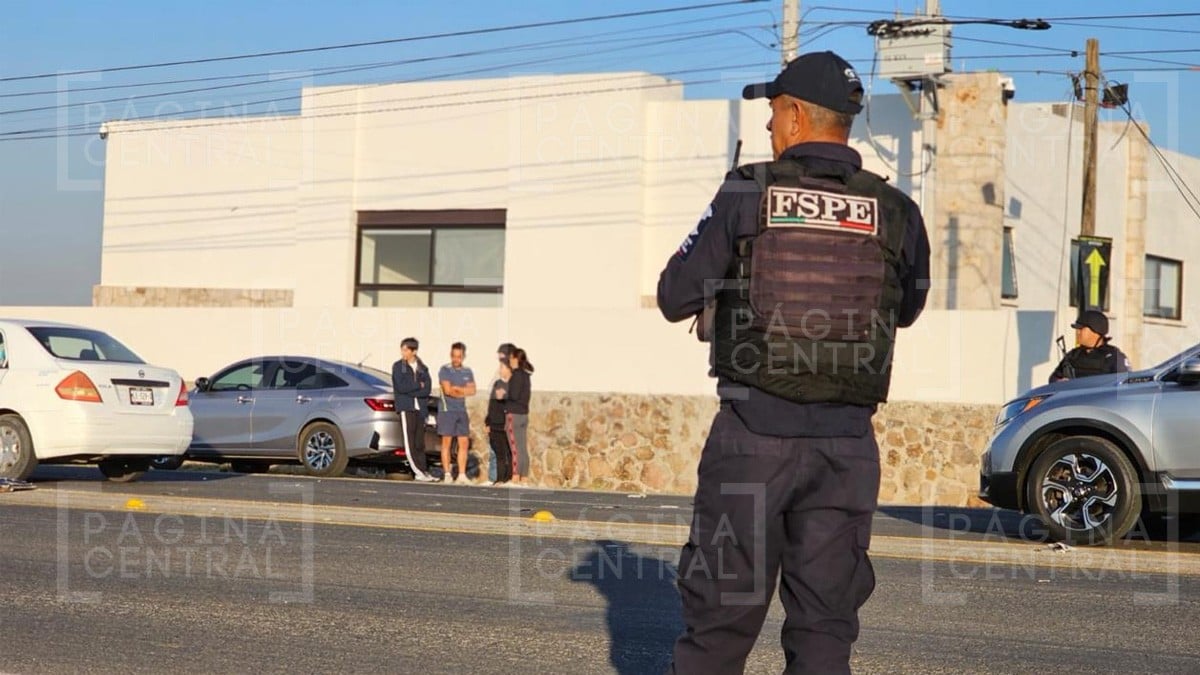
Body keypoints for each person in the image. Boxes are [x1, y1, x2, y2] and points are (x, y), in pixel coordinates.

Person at [657, 50, 931, 674]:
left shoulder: (747, 189)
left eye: (774, 113)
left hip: (752, 440)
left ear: (796, 114)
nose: (768, 128)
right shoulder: (896, 211)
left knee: (719, 628)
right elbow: (906, 311)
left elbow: (676, 295)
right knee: (825, 632)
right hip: (846, 448)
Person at [391, 337, 436, 482]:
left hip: (420, 408)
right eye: (402, 349)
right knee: (410, 442)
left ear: (413, 351)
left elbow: (427, 389)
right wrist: (418, 385)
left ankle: (423, 470)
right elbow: (401, 387)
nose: (403, 352)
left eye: (406, 350)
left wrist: (415, 389)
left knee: (419, 442)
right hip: (407, 407)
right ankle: (418, 471)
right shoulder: (399, 367)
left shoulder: (423, 368)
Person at [1049, 310, 1131, 382]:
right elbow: (1053, 378)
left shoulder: (1114, 357)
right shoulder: (1073, 355)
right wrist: (1059, 382)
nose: (1077, 332)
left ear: (1096, 330)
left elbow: (1125, 386)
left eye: (1081, 329)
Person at [438, 342, 477, 484]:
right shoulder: (445, 370)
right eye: (454, 356)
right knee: (447, 442)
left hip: (461, 410)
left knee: (464, 442)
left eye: (459, 357)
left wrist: (458, 390)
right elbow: (448, 390)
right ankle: (447, 473)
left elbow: (472, 390)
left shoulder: (467, 371)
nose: (456, 359)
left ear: (463, 356)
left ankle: (461, 474)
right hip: (447, 410)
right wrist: (461, 390)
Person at [505, 348, 534, 485]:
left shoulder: (516, 375)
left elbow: (514, 395)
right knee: (522, 447)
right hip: (523, 414)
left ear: (516, 359)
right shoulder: (526, 375)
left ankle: (515, 476)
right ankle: (524, 477)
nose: (509, 361)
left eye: (511, 358)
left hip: (514, 414)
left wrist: (504, 394)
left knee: (515, 447)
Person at [488, 343, 516, 483]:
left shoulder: (513, 384)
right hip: (495, 423)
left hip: (506, 424)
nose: (500, 370)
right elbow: (492, 404)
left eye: (502, 367)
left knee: (508, 453)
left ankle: (509, 477)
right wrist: (488, 422)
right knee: (498, 453)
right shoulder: (497, 383)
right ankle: (499, 478)